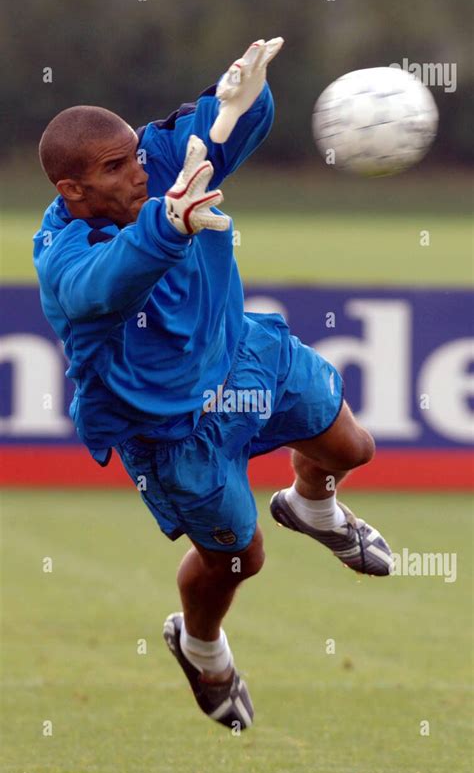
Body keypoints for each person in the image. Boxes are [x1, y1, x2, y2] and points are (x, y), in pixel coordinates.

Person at [34, 38, 392, 733]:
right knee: (238, 558)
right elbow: (100, 290)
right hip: (171, 435)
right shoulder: (61, 253)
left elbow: (225, 130)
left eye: (134, 156)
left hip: (244, 358)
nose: (136, 173)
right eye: (113, 169)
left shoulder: (161, 157)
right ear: (70, 191)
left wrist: (246, 97)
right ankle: (201, 648)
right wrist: (168, 224)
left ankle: (312, 505)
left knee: (353, 447)